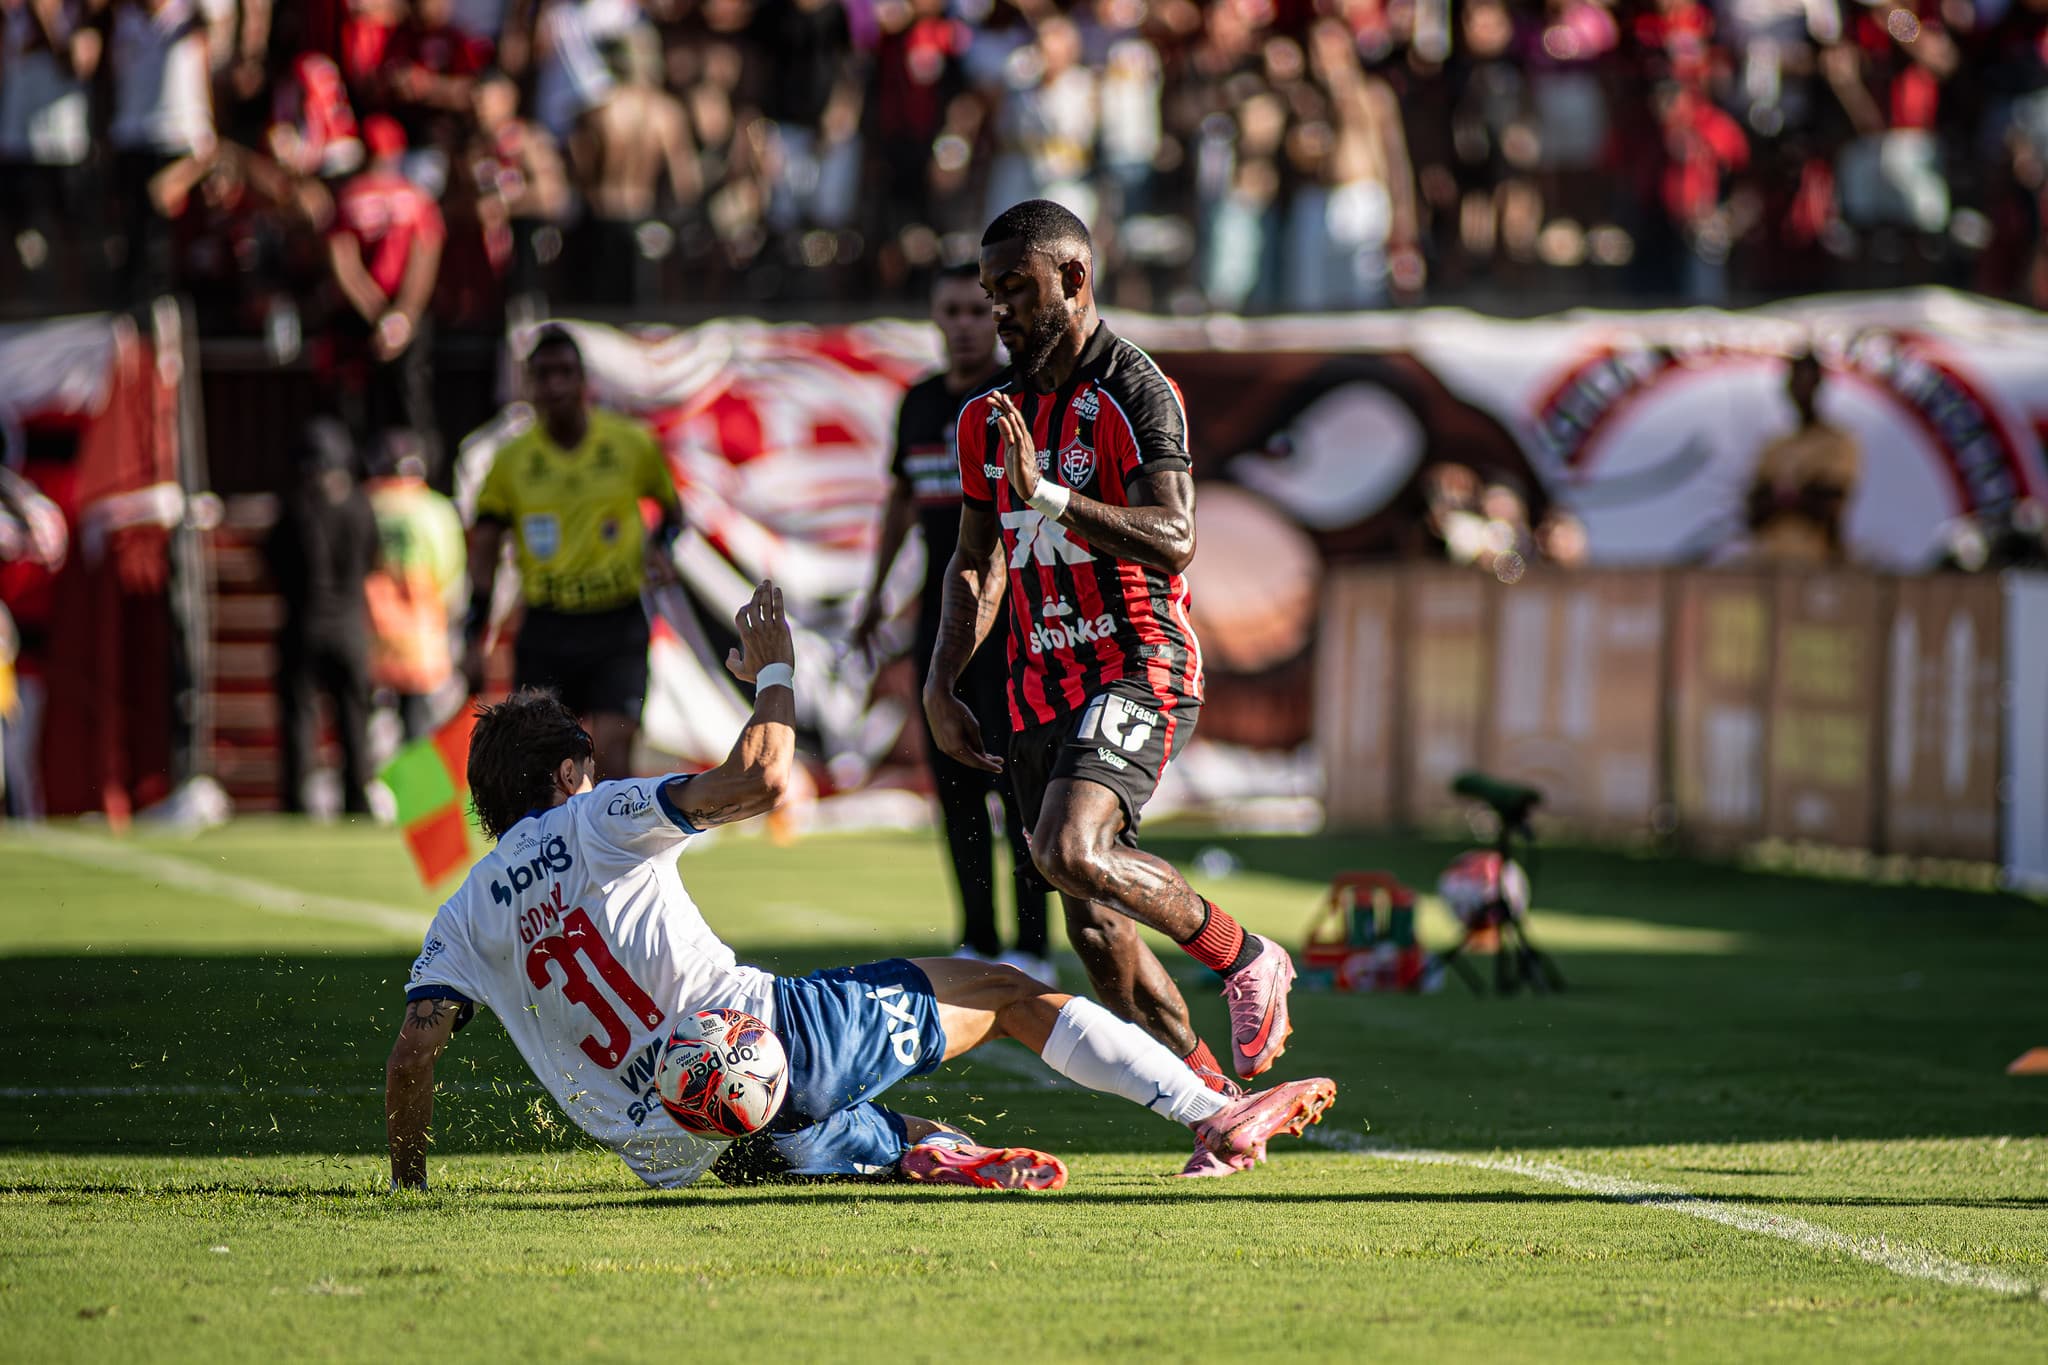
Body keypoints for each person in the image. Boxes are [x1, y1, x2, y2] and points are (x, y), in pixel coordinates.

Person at [387, 580, 1336, 1191]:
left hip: (687, 1151)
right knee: (1004, 993)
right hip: (766, 1040)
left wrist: (409, 1185)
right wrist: (774, 672)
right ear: (564, 775)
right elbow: (760, 776)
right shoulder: (593, 817)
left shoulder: (462, 913)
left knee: (842, 1118)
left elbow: (411, 1057)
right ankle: (1213, 1112)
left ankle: (927, 1150)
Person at [924, 199, 1297, 1179]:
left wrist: (1045, 492)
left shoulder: (1135, 389)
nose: (998, 309)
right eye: (988, 290)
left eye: (1016, 288)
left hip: (1137, 662)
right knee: (1092, 929)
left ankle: (1245, 954)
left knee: (1067, 846)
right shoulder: (985, 417)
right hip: (1036, 684)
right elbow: (975, 560)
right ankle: (1218, 1107)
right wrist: (939, 683)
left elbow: (1175, 537)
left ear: (1074, 282)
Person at [853, 262, 1052, 985]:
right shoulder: (918, 405)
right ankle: (977, 936)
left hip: (1016, 627)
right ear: (935, 319)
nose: (966, 323)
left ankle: (1032, 942)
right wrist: (877, 594)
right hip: (942, 625)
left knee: (1022, 785)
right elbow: (902, 500)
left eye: (977, 309)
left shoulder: (1017, 397)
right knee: (953, 785)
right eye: (952, 311)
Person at [462, 325, 680, 780]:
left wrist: (661, 547)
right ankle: (557, 851)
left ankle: (615, 853)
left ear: (585, 382)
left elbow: (674, 513)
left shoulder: (630, 444)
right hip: (548, 624)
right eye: (543, 375)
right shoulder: (511, 462)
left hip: (615, 622)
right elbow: (484, 548)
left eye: (565, 373)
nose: (556, 385)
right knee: (541, 762)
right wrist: (472, 635)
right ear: (530, 387)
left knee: (615, 752)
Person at [267, 417, 380, 817]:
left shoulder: (294, 506)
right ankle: (357, 801)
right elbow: (372, 558)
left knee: (299, 719)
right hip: (349, 627)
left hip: (303, 625)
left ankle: (297, 804)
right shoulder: (360, 506)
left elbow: (271, 563)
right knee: (353, 718)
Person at [325, 114, 444, 458]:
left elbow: (343, 265)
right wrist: (402, 318)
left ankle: (362, 472)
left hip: (362, 317)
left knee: (359, 402)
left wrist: (377, 316)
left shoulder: (348, 197)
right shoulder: (418, 198)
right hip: (402, 316)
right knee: (412, 397)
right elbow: (425, 258)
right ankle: (420, 470)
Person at [365, 437, 467, 740]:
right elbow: (451, 569)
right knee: (418, 731)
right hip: (420, 638)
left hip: (369, 634)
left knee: (369, 730)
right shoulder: (435, 509)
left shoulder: (365, 505)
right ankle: (414, 787)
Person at [1744, 351, 1860, 565]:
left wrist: (1781, 497)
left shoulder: (1839, 442)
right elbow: (1753, 508)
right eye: (1796, 381)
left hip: (1821, 562)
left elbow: (1828, 502)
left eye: (1807, 381)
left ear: (1819, 385)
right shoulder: (1776, 445)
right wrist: (1798, 495)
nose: (1801, 389)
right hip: (1770, 562)